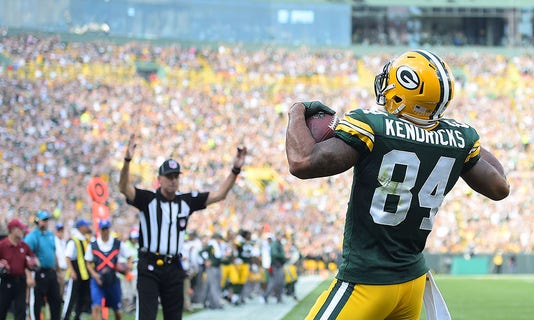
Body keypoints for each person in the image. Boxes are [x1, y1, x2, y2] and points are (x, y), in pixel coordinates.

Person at [286, 49, 510, 320]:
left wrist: (296, 111)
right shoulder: (460, 138)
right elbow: (500, 188)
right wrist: (454, 138)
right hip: (412, 283)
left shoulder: (372, 125)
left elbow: (302, 162)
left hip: (367, 281)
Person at [118, 133, 247, 320]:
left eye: (176, 176)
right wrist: (127, 160)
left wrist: (235, 170)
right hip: (149, 266)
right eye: (169, 176)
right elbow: (124, 188)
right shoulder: (148, 199)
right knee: (146, 316)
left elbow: (220, 194)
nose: (173, 180)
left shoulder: (186, 202)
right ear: (159, 179)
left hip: (174, 267)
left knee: (174, 317)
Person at [85, 219, 130, 320]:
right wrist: (95, 275)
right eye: (103, 229)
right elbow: (88, 263)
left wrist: (128, 267)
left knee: (117, 311)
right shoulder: (93, 245)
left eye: (106, 229)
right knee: (96, 307)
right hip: (98, 281)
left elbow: (129, 256)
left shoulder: (117, 244)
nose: (105, 231)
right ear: (100, 230)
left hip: (113, 280)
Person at [24, 210, 63, 320]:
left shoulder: (50, 235)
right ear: (38, 221)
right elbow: (26, 256)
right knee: (37, 302)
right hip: (38, 273)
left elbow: (53, 254)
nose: (46, 222)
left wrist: (59, 272)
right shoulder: (32, 236)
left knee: (56, 301)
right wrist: (29, 275)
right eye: (43, 220)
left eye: (47, 220)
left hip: (51, 272)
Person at [0, 218, 38, 320]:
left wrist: (32, 263)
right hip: (6, 282)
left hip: (20, 282)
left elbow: (33, 259)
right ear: (12, 230)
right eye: (20, 229)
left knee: (21, 311)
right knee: (2, 310)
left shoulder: (24, 246)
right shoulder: (2, 245)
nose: (22, 231)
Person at [62, 218, 92, 320]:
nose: (88, 227)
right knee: (71, 298)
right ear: (80, 227)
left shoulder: (85, 239)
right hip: (76, 273)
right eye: (86, 225)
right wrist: (72, 271)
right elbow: (67, 257)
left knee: (81, 298)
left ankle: (77, 316)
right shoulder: (74, 240)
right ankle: (65, 317)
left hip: (84, 274)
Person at [262, 232, 286, 304]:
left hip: (277, 265)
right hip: (275, 266)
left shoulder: (276, 244)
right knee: (275, 282)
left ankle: (278, 297)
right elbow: (274, 254)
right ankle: (267, 296)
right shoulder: (274, 244)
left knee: (279, 282)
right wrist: (283, 256)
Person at [54, 222, 68, 297]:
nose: (60, 232)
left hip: (64, 269)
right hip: (57, 269)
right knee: (56, 290)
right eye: (59, 230)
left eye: (62, 230)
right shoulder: (54, 241)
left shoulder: (63, 242)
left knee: (62, 289)